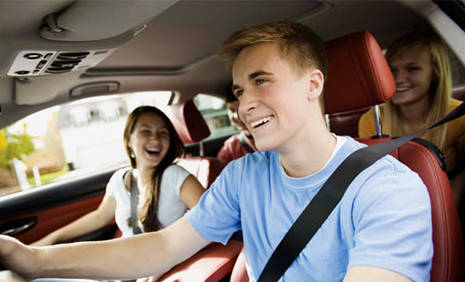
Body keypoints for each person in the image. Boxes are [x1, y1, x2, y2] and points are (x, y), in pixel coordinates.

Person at [0, 21, 432, 282]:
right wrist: (33, 259)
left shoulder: (390, 188)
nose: (244, 105)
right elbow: (161, 246)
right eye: (240, 90)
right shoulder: (244, 175)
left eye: (262, 81)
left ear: (313, 85)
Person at [33, 105, 206, 245]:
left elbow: (213, 217)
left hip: (149, 268)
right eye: (146, 131)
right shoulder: (120, 179)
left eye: (163, 133)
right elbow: (100, 217)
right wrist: (52, 238)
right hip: (119, 267)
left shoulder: (175, 176)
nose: (155, 139)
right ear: (129, 141)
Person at [358, 28, 465, 202]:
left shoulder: (458, 116)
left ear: (435, 73)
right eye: (392, 70)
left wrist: (453, 198)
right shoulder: (372, 121)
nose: (398, 79)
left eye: (412, 69)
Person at [217, 92, 256, 164]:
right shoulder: (231, 147)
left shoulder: (274, 139)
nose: (236, 116)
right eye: (231, 110)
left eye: (240, 109)